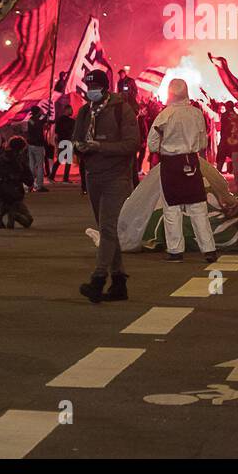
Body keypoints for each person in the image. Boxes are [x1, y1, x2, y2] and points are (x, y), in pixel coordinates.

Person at [73, 69, 141, 302]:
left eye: (94, 87)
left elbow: (132, 144)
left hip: (117, 177)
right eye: (88, 87)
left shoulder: (122, 109)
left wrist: (100, 147)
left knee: (108, 229)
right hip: (93, 176)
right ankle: (119, 281)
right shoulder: (84, 112)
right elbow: (76, 138)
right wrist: (79, 147)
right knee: (106, 229)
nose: (90, 91)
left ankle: (98, 279)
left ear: (104, 87)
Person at [148, 78, 219, 263]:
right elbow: (203, 142)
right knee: (198, 207)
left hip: (171, 164)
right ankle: (209, 250)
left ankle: (175, 252)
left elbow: (152, 143)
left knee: (172, 208)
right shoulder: (196, 114)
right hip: (192, 162)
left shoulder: (164, 115)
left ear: (169, 94)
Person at [0, 136, 35, 229]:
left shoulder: (0, 158)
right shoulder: (20, 161)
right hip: (15, 193)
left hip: (0, 191)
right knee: (28, 220)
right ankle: (14, 215)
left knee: (4, 205)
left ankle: (0, 215)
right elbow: (29, 180)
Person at [25, 108, 50, 193]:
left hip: (30, 144)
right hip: (38, 145)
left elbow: (39, 123)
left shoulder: (31, 120)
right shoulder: (36, 121)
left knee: (32, 165)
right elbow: (40, 124)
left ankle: (30, 185)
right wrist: (45, 116)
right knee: (40, 166)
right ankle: (39, 186)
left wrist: (45, 116)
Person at [53, 104, 77, 182]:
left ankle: (53, 176)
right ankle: (64, 178)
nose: (72, 111)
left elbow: (56, 131)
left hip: (63, 140)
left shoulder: (60, 120)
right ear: (66, 110)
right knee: (66, 160)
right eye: (70, 110)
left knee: (62, 159)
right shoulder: (68, 121)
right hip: (66, 141)